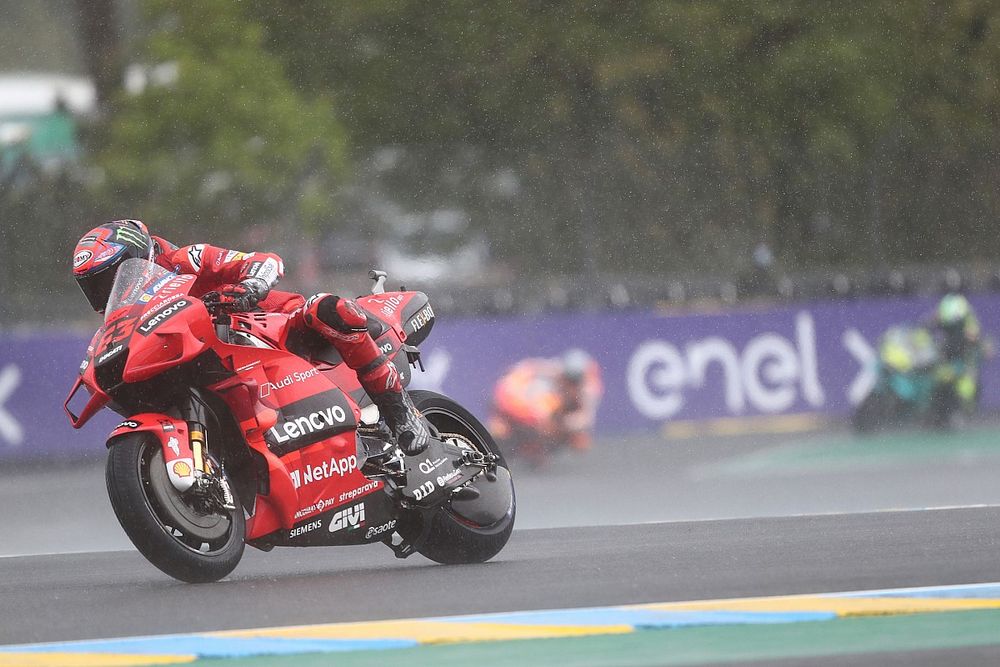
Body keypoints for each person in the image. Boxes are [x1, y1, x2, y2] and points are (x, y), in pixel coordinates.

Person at [71, 219, 429, 454]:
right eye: (94, 287)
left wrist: (251, 284)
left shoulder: (186, 260)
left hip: (277, 326)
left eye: (109, 277)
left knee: (327, 307)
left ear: (138, 256)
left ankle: (400, 413)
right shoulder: (127, 317)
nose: (105, 292)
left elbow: (265, 260)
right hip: (222, 364)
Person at [489, 349, 603, 464]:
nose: (571, 384)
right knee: (500, 431)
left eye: (575, 381)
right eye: (568, 379)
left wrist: (565, 425)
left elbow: (585, 418)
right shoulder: (548, 377)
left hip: (556, 420)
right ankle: (522, 444)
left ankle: (536, 448)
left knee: (580, 441)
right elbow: (524, 373)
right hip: (520, 412)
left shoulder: (588, 390)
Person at [926, 293, 986, 415]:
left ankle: (962, 414)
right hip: (948, 361)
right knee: (940, 384)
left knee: (966, 388)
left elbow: (975, 340)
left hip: (963, 362)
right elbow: (928, 326)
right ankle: (943, 414)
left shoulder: (969, 323)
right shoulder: (942, 323)